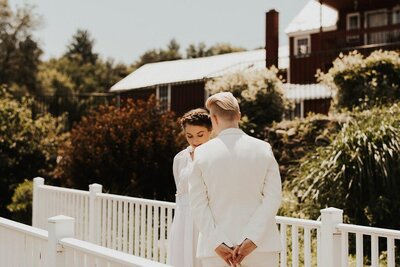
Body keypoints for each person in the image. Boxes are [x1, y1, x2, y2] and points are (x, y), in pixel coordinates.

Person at [189, 92, 282, 267]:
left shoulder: (201, 153)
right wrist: (252, 239)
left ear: (213, 119)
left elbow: (198, 204)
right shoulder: (263, 149)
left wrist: (217, 242)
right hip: (261, 248)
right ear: (239, 116)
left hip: (215, 252)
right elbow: (273, 198)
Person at [167, 108, 212, 267]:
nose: (195, 140)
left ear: (210, 131)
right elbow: (180, 192)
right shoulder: (179, 158)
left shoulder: (216, 157)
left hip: (206, 220)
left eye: (200, 135)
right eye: (189, 136)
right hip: (183, 219)